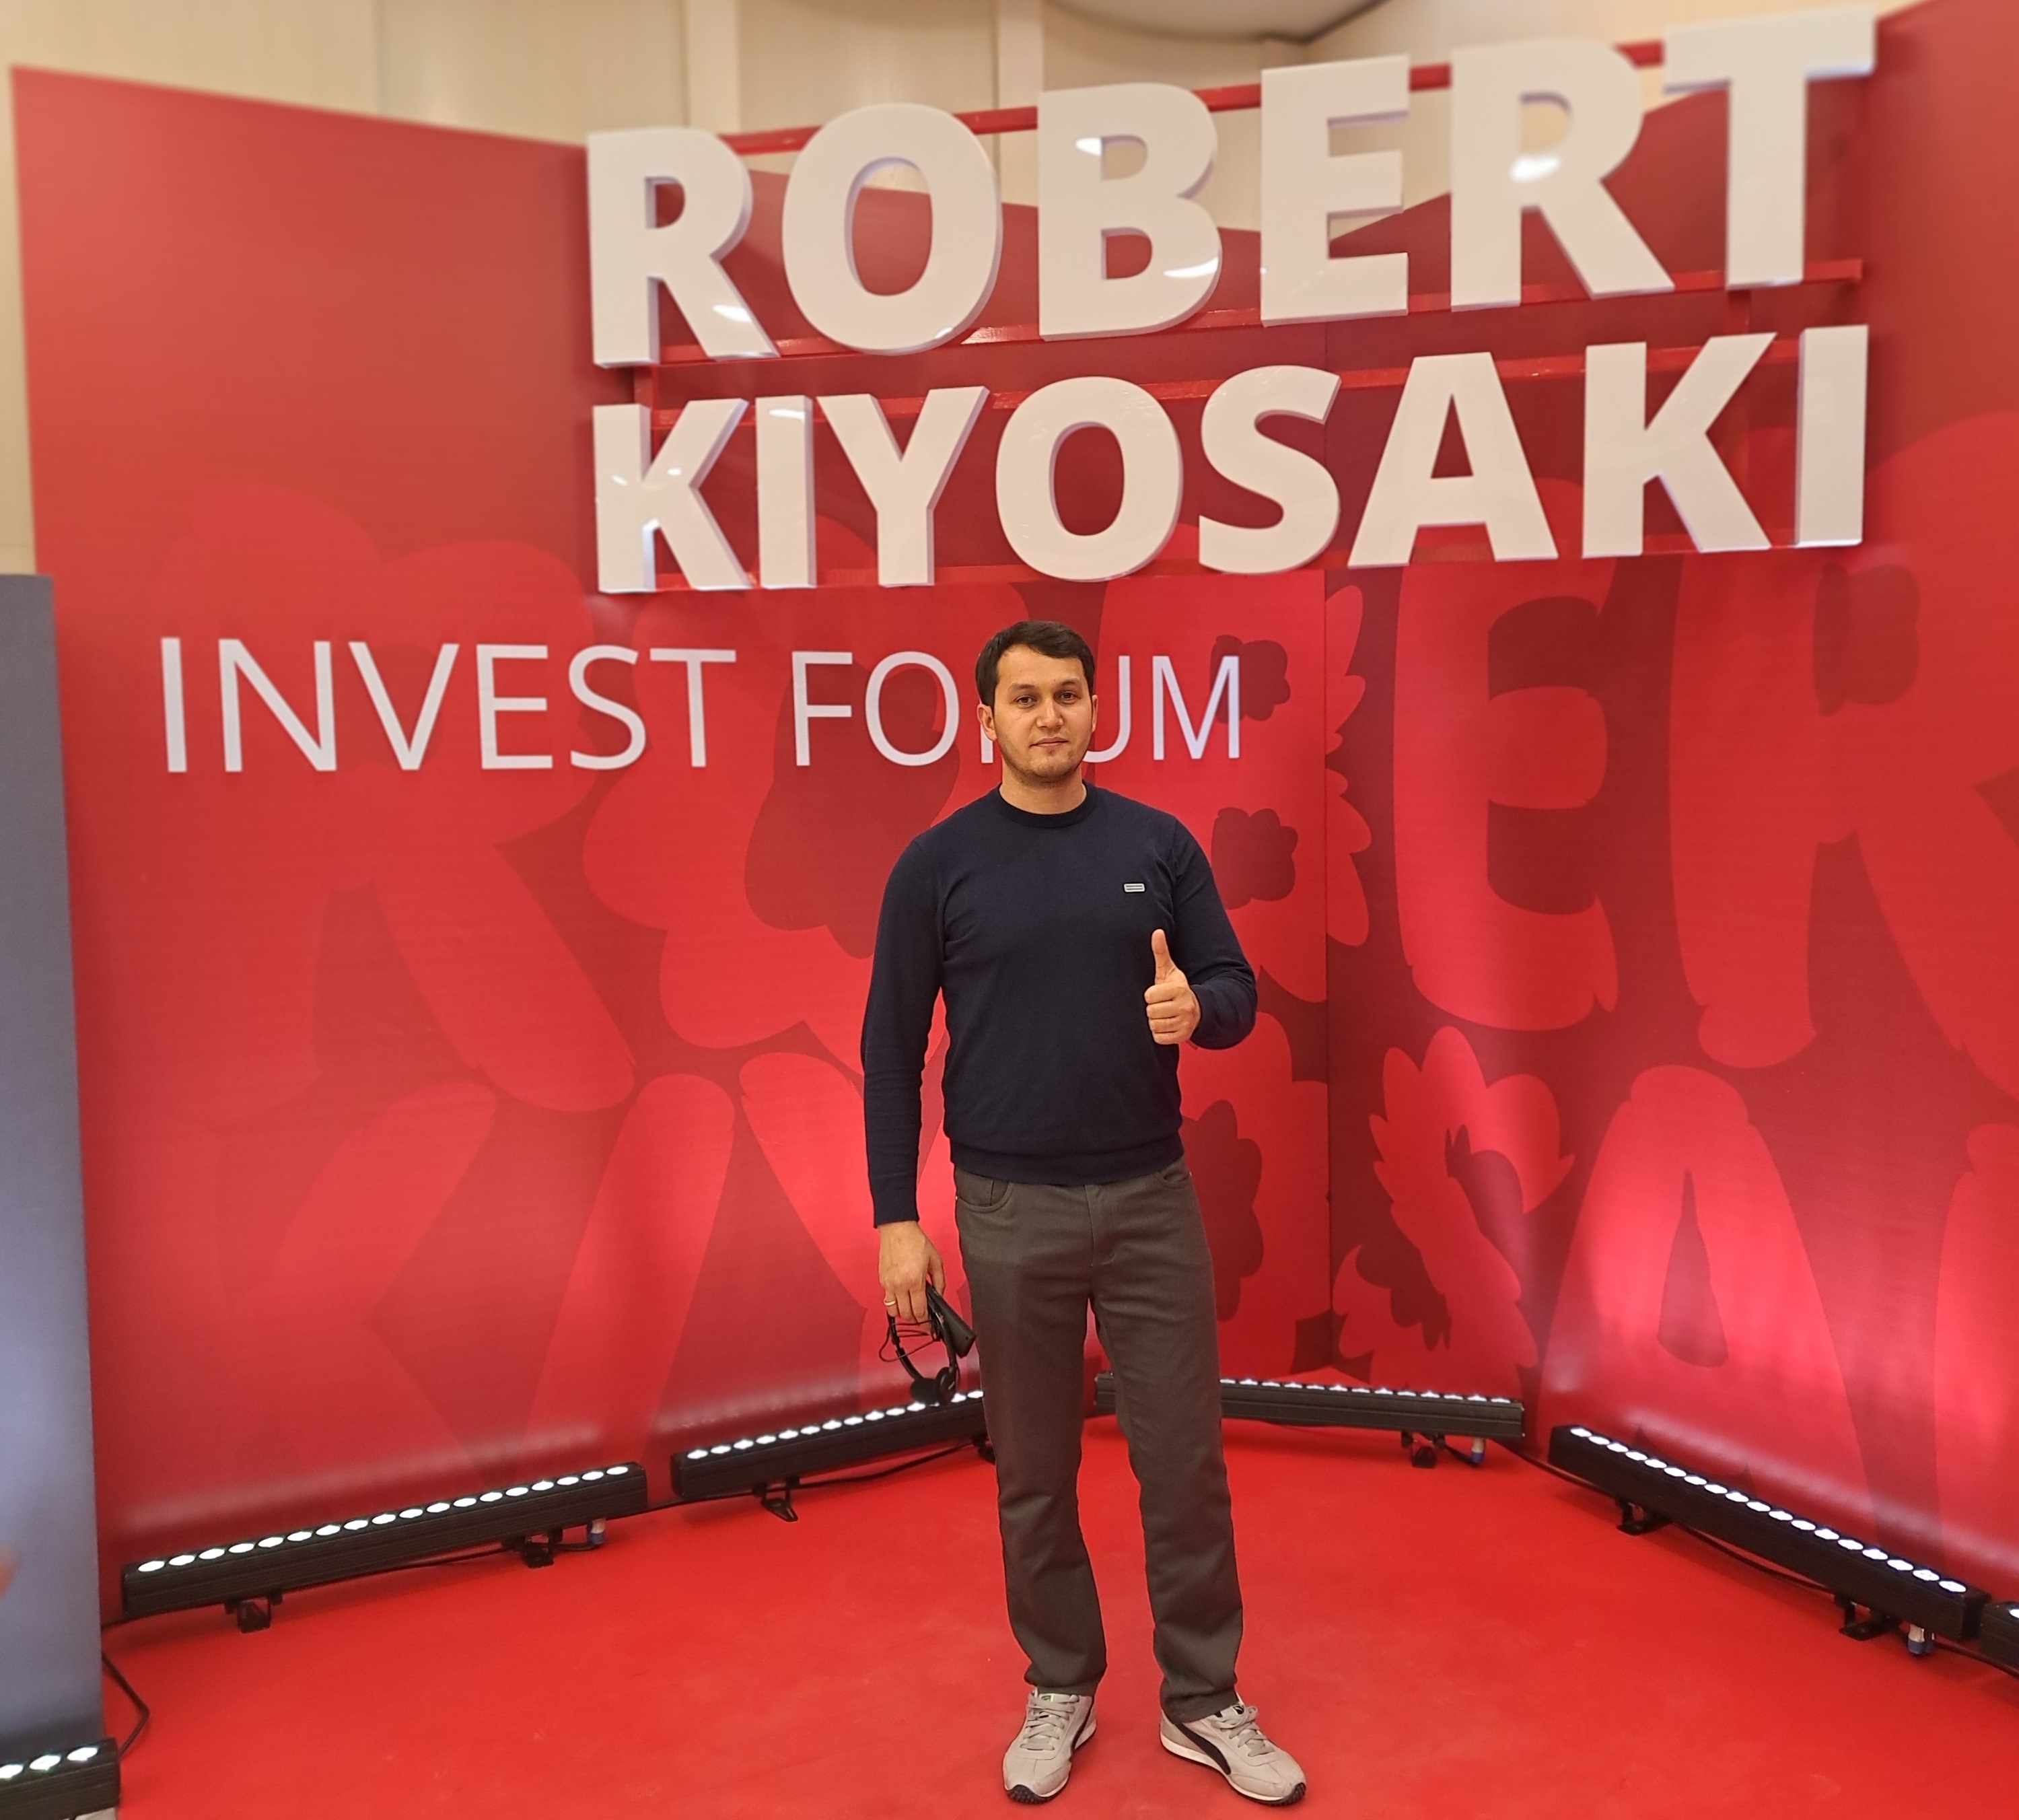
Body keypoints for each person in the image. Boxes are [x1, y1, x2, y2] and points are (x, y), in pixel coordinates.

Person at [861, 620, 1306, 1807]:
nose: (1048, 715)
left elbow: (1235, 987)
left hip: (1153, 1196)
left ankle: (1203, 1697)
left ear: (1096, 709)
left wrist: (1197, 1012)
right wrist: (895, 1216)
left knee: (1185, 1464)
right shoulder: (937, 864)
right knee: (1035, 1472)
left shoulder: (1157, 844)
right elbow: (889, 1049)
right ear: (987, 720)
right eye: (1024, 698)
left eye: (1067, 694)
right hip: (1008, 1207)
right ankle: (1061, 1681)